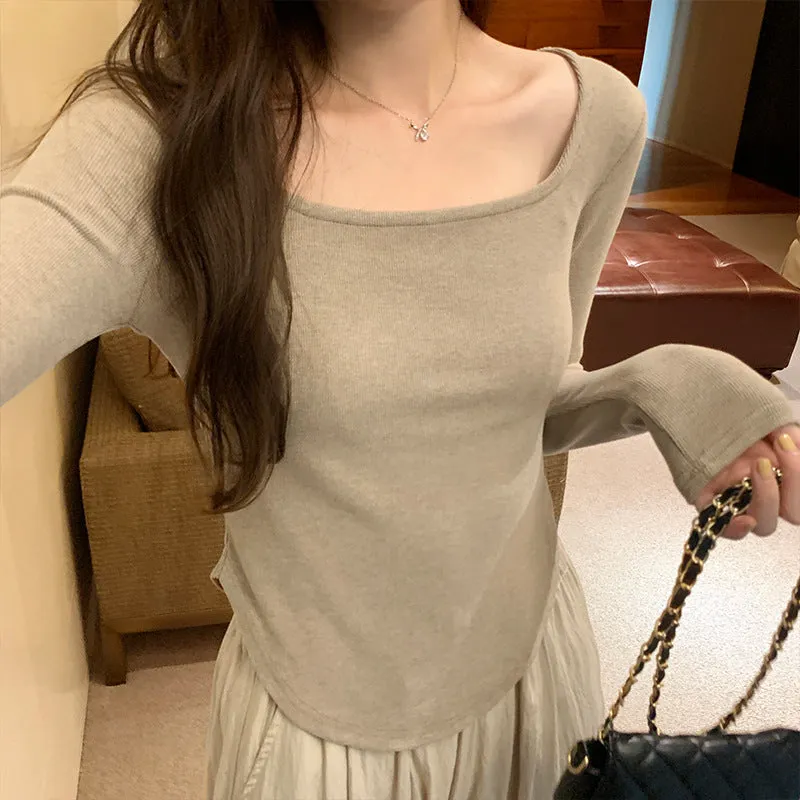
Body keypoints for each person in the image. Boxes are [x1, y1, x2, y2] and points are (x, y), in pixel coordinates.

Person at [1, 1, 797, 798]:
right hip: (326, 740)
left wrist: (658, 381)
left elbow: (515, 402)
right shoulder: (160, 140)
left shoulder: (594, 119)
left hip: (534, 673)